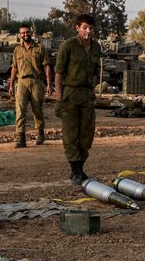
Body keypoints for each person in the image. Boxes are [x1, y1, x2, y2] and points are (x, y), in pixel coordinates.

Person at [54, 14, 102, 185]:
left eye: (91, 28)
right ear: (77, 28)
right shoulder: (68, 45)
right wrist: (59, 98)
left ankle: (80, 167)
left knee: (87, 134)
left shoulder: (96, 47)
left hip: (87, 96)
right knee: (70, 134)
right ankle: (75, 171)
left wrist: (94, 88)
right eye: (85, 28)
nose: (88, 31)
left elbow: (96, 71)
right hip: (70, 95)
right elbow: (59, 72)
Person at [9, 24, 51, 148]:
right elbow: (14, 68)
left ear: (31, 33)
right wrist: (11, 85)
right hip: (21, 82)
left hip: (37, 81)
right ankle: (21, 138)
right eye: (23, 33)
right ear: (19, 34)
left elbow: (46, 66)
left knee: (37, 109)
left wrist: (49, 84)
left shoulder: (39, 48)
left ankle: (40, 133)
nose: (25, 35)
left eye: (27, 32)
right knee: (20, 109)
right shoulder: (17, 50)